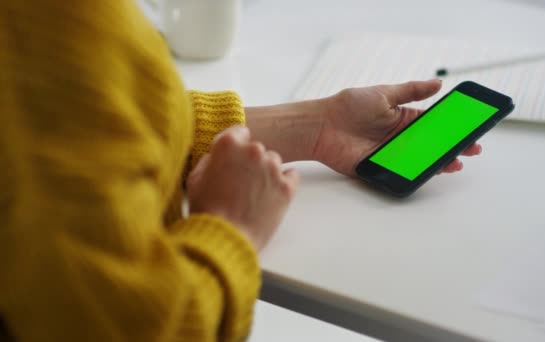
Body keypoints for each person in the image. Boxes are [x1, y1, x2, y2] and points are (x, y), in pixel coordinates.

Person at [0, 1, 481, 341]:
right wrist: (230, 229)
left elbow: (70, 124)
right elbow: (126, 329)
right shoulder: (58, 23)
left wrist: (314, 126)